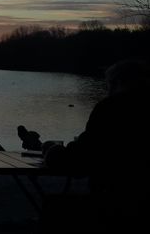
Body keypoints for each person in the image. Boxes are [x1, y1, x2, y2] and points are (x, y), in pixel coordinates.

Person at [43, 59, 150, 232]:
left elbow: (79, 163)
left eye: (109, 85)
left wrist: (52, 151)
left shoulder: (111, 108)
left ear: (120, 83)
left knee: (56, 210)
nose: (108, 91)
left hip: (115, 203)